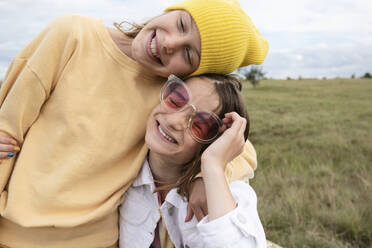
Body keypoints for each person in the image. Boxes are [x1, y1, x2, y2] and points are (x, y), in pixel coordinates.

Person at [0, 0, 268, 247]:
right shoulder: (73, 35)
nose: (170, 43)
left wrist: (201, 177)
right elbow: (6, 133)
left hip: (98, 242)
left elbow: (237, 147)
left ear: (192, 73)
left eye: (188, 54)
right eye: (181, 24)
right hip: (12, 233)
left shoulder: (169, 96)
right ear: (172, 9)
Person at [119, 73, 266, 248]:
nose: (174, 121)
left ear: (215, 143)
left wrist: (212, 167)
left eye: (200, 125)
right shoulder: (123, 173)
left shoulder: (226, 198)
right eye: (175, 99)